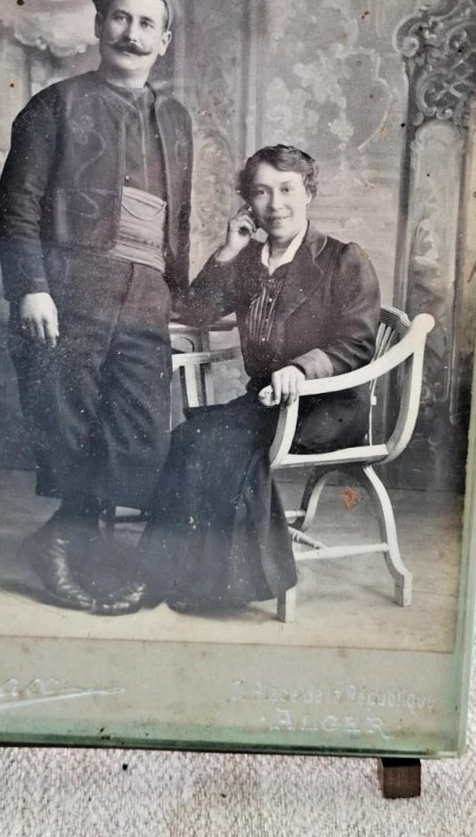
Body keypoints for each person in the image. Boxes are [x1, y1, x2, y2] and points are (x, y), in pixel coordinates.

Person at [0, 0, 193, 615]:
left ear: (164, 41)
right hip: (72, 290)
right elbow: (17, 202)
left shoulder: (176, 118)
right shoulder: (55, 106)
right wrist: (31, 288)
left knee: (137, 432)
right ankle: (72, 548)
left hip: (146, 296)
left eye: (145, 24)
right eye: (120, 19)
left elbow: (176, 216)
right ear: (99, 25)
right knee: (72, 419)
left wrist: (179, 297)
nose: (130, 34)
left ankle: (68, 542)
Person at [140, 144, 380, 613]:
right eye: (262, 192)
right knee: (191, 436)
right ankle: (173, 574)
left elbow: (356, 344)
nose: (276, 204)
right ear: (249, 202)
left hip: (326, 407)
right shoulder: (249, 261)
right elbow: (192, 311)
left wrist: (301, 368)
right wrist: (228, 251)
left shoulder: (342, 259)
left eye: (287, 189)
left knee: (221, 442)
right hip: (267, 401)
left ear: (308, 192)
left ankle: (225, 586)